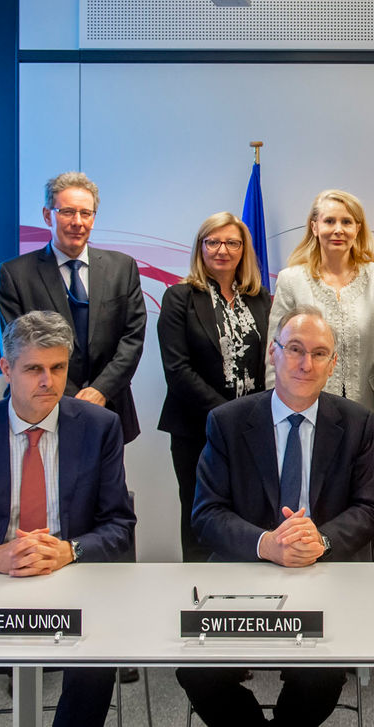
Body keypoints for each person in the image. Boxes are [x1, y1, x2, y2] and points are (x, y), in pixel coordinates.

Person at [177, 306, 374, 727]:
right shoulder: (227, 422)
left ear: (333, 365)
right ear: (272, 354)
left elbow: (369, 509)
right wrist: (265, 543)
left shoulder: (358, 422)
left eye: (319, 353)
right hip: (241, 574)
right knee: (195, 670)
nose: (305, 364)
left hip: (323, 575)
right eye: (294, 349)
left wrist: (320, 540)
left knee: (320, 675)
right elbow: (206, 512)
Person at [0, 311, 137, 727]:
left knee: (94, 667)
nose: (48, 380)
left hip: (72, 577)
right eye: (33, 369)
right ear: (6, 369)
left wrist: (69, 550)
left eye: (58, 368)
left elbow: (120, 525)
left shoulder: (100, 427)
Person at [0, 171, 147, 444]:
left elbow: (132, 339)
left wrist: (100, 390)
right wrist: (70, 399)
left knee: (105, 486)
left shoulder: (122, 268)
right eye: (67, 212)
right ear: (47, 216)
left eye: (86, 213)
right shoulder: (14, 274)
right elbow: (15, 345)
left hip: (108, 405)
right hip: (40, 407)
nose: (78, 222)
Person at [157, 212, 271, 562]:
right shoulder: (179, 297)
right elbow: (177, 370)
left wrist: (246, 418)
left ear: (243, 250)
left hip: (253, 430)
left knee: (251, 511)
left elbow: (270, 361)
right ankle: (197, 584)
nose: (222, 250)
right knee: (199, 511)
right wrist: (226, 416)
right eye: (213, 242)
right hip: (197, 429)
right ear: (200, 247)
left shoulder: (261, 299)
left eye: (232, 243)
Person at [267, 189, 374, 436]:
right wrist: (276, 413)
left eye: (346, 222)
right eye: (329, 221)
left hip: (369, 413)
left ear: (357, 229)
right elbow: (275, 356)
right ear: (315, 227)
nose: (338, 229)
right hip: (304, 412)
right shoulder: (291, 280)